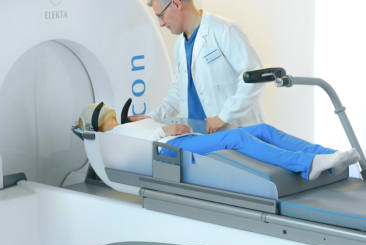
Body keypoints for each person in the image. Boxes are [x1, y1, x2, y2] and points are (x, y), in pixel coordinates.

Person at [78, 103, 359, 181]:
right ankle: (307, 164)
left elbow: (151, 125)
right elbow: (139, 147)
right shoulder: (112, 136)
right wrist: (164, 128)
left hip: (184, 139)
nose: (110, 112)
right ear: (98, 121)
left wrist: (155, 121)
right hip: (169, 149)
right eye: (104, 112)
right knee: (237, 137)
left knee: (260, 129)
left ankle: (329, 155)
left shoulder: (130, 125)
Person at [130, 0, 266, 133]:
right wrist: (152, 118)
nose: (161, 24)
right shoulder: (180, 46)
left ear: (176, 3)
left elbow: (255, 76)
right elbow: (179, 91)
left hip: (237, 130)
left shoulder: (224, 30)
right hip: (198, 135)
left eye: (161, 16)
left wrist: (225, 116)